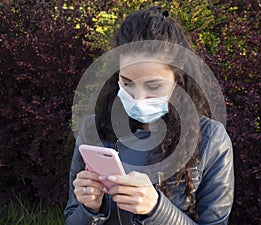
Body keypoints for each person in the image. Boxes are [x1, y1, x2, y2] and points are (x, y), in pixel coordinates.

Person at [64, 6, 234, 225]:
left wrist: (156, 208)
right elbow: (71, 219)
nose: (137, 97)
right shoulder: (93, 130)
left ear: (178, 80)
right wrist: (89, 208)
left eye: (153, 86)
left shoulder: (211, 141)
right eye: (127, 83)